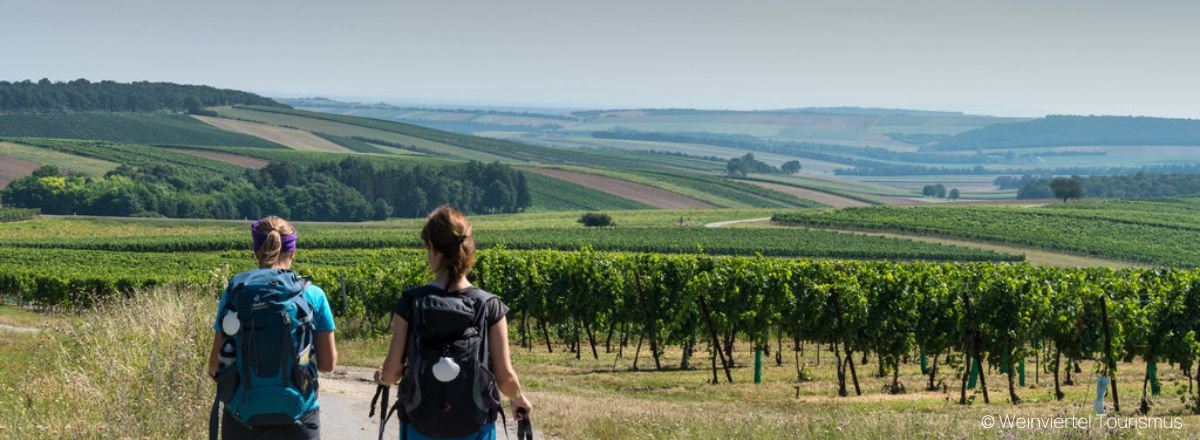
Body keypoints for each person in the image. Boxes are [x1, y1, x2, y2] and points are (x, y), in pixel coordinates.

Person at [375, 206, 532, 440]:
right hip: (475, 425)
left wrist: (382, 378)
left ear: (434, 250)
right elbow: (505, 378)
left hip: (420, 424)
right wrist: (518, 399)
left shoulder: (412, 302)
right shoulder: (489, 305)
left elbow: (392, 371)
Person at [207, 216, 338, 439]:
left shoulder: (235, 294)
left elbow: (214, 366)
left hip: (242, 419)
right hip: (300, 419)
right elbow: (328, 364)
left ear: (256, 251)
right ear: (293, 252)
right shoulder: (313, 295)